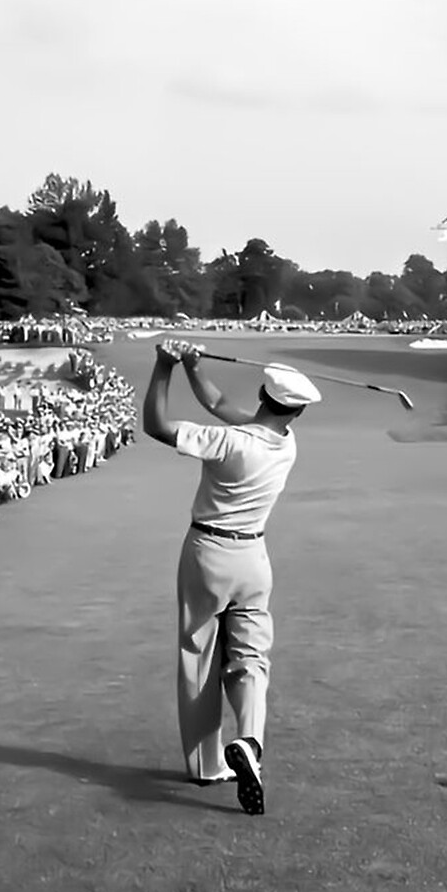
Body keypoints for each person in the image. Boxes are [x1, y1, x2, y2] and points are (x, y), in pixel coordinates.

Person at [142, 339, 321, 815]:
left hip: (207, 552)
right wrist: (196, 368)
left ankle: (206, 764)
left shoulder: (229, 443)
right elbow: (220, 403)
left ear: (263, 396)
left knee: (199, 656)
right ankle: (250, 742)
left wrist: (165, 367)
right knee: (250, 658)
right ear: (296, 412)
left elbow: (156, 426)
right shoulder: (287, 444)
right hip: (253, 558)